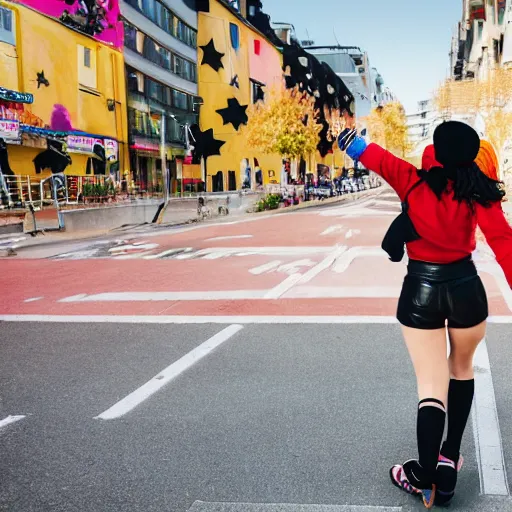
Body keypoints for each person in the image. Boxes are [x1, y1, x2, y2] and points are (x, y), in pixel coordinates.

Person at [338, 121, 512, 509]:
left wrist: (350, 141)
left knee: (431, 385)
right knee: (462, 370)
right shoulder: (478, 190)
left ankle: (423, 474)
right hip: (467, 290)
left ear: (434, 150)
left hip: (422, 291)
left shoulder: (412, 179)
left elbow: (373, 155)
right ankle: (450, 459)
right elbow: (503, 241)